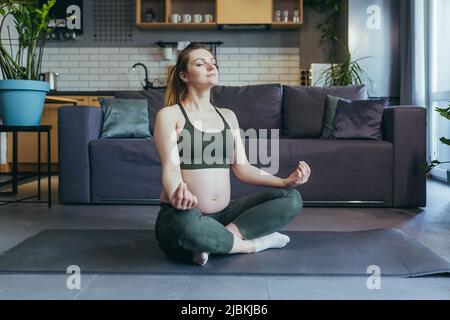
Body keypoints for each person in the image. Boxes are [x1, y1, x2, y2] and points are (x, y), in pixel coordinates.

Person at [153, 43, 311, 266]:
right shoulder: (169, 115)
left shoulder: (228, 116)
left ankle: (216, 240)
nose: (210, 66)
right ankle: (254, 245)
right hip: (183, 214)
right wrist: (177, 193)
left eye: (213, 62)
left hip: (225, 215)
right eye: (200, 63)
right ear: (184, 76)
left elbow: (242, 167)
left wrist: (284, 181)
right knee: (187, 226)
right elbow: (170, 168)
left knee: (291, 197)